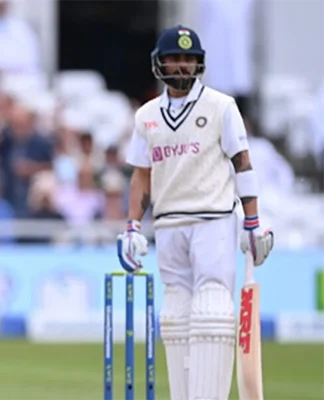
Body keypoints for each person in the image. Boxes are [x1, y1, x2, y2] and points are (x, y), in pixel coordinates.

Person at [116, 26, 274, 400]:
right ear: (160, 63)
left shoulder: (221, 106)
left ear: (198, 64)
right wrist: (132, 227)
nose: (182, 66)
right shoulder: (147, 116)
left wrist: (252, 222)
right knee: (175, 315)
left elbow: (243, 163)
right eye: (175, 58)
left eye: (188, 59)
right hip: (168, 224)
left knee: (212, 309)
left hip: (213, 219)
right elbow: (141, 174)